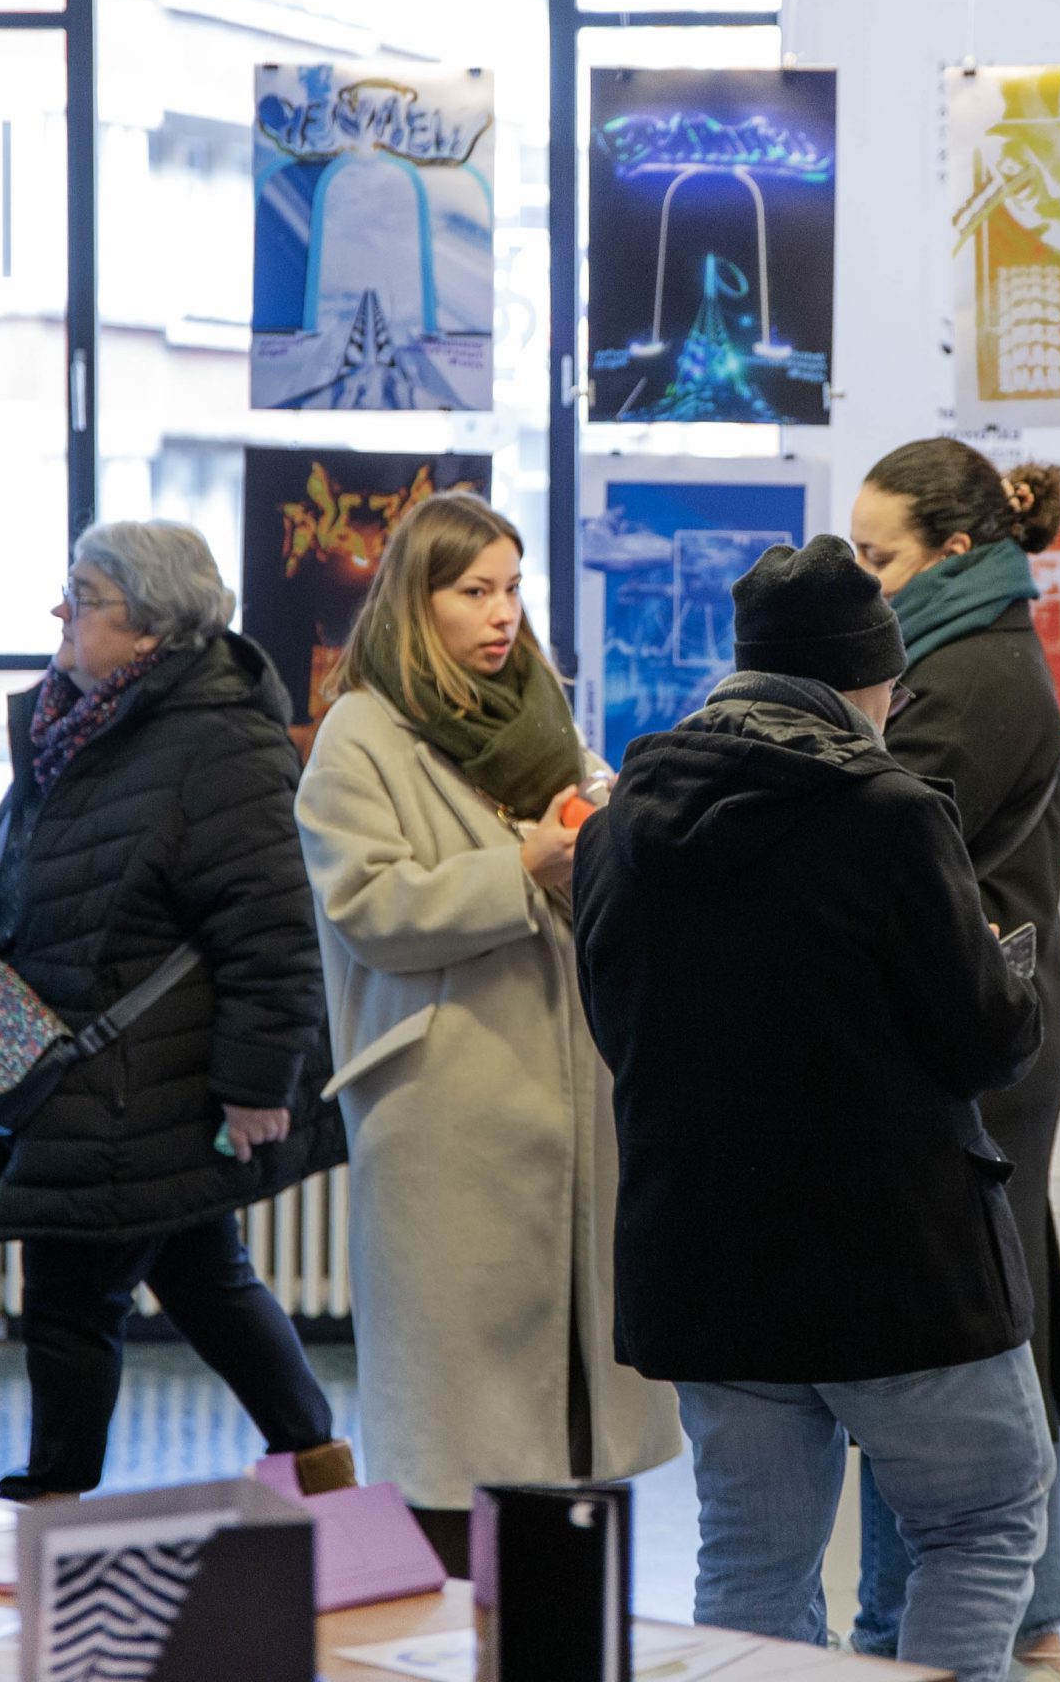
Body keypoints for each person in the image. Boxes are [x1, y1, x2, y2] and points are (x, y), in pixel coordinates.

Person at [572, 537, 1053, 1682]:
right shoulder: (889, 812)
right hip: (899, 1267)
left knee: (749, 1572)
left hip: (706, 1263)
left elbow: (619, 1029)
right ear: (866, 681)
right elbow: (982, 1038)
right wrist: (1007, 965)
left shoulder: (620, 824)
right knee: (978, 1523)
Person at [294, 492, 679, 1574]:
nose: (502, 613)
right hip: (446, 1111)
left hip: (570, 1101)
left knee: (575, 1400)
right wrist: (522, 865)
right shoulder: (358, 737)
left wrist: (596, 836)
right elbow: (370, 907)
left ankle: (568, 1615)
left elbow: (591, 818)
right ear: (417, 600)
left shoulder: (539, 715)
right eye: (475, 591)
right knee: (462, 1426)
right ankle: (455, 1627)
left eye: (512, 588)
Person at [0, 520, 352, 1504]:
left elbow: (274, 929)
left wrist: (258, 1086)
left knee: (69, 1303)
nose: (61, 611)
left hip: (137, 1086)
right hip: (91, 1077)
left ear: (151, 633)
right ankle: (321, 1469)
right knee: (206, 1278)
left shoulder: (216, 740)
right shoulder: (75, 722)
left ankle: (51, 1509)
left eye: (84, 597)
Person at [848, 439, 1060, 1680]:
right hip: (988, 1035)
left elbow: (875, 837)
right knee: (989, 1327)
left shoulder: (968, 676)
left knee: (950, 1349)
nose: (860, 578)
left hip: (974, 1044)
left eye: (875, 556)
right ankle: (1030, 1617)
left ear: (951, 552)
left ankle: (966, 1631)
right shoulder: (963, 656)